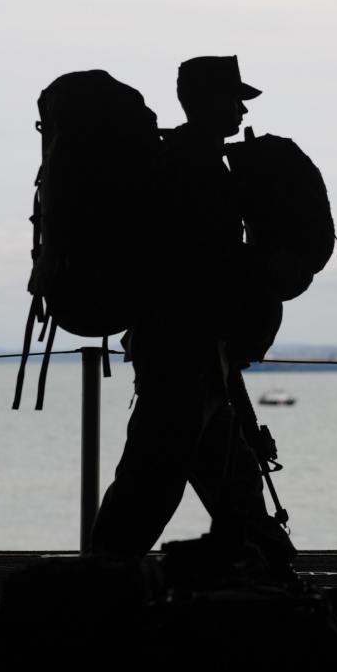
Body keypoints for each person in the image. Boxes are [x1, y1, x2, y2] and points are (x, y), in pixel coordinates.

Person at [91, 56, 297, 578]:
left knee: (236, 485)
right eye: (234, 97)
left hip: (199, 356)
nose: (241, 108)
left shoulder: (193, 161)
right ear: (205, 101)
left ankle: (285, 587)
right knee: (150, 486)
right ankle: (96, 589)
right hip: (183, 354)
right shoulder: (192, 167)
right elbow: (202, 264)